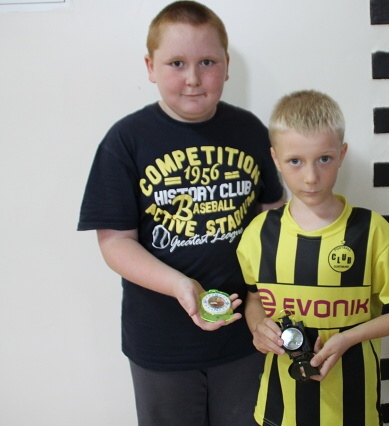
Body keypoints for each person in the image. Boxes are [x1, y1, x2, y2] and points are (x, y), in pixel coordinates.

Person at [77, 2, 285, 425]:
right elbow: (115, 243)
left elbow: (273, 216)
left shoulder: (250, 131)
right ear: (150, 67)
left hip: (246, 336)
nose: (193, 78)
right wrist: (179, 285)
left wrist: (266, 298)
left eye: (207, 62)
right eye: (177, 63)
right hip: (162, 346)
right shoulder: (126, 141)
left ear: (226, 66)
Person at [236, 90, 389, 425]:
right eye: (295, 161)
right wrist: (257, 327)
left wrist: (348, 338)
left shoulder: (371, 231)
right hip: (280, 410)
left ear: (341, 154)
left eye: (324, 159)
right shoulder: (258, 234)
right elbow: (254, 299)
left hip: (353, 409)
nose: (311, 176)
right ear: (275, 159)